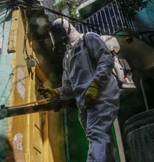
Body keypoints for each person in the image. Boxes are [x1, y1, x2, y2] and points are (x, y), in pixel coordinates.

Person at [39, 18, 120, 161]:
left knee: (96, 134)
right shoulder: (67, 57)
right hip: (84, 101)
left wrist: (95, 84)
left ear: (66, 29)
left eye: (59, 33)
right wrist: (57, 92)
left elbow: (106, 60)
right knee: (101, 136)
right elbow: (69, 86)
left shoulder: (88, 39)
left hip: (101, 94)